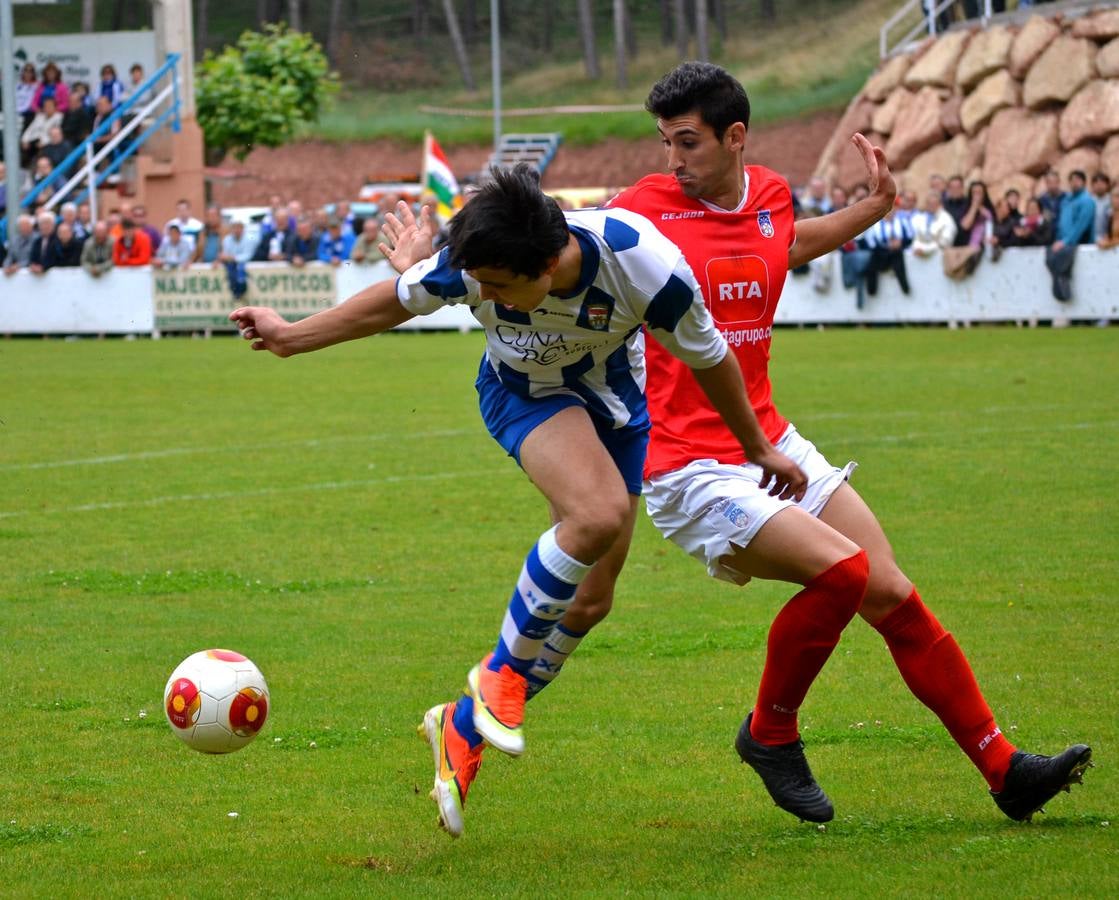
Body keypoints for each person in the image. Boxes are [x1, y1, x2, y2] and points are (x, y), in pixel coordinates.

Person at [401, 62, 1091, 831]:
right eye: (664, 142)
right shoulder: (640, 214)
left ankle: (1004, 770)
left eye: (686, 142)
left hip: (765, 438)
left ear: (734, 138)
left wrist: (871, 208)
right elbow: (526, 230)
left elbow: (783, 246)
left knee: (889, 592)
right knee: (838, 576)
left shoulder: (766, 195)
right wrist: (423, 262)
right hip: (683, 460)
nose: (672, 160)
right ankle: (768, 733)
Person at [230, 163, 807, 839]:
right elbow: (394, 298)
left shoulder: (642, 264)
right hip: (522, 396)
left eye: (504, 288)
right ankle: (497, 680)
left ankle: (461, 726)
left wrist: (757, 447)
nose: (494, 299)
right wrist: (292, 336)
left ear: (547, 261)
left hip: (618, 411)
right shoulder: (473, 266)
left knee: (591, 600)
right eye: (485, 287)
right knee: (595, 516)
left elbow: (710, 359)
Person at [1045, 170, 1096, 302]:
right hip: (1061, 241)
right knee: (1049, 257)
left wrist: (1066, 241)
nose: (1074, 182)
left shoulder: (1087, 200)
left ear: (1084, 182)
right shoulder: (1066, 200)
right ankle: (1060, 284)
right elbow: (1061, 223)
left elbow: (1080, 225)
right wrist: (1059, 240)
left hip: (1078, 243)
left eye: (1078, 179)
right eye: (1072, 180)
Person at [910, 189, 957, 257]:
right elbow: (915, 237)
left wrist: (925, 250)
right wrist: (917, 247)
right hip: (919, 256)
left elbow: (945, 242)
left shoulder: (947, 219)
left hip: (940, 257)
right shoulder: (920, 218)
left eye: (934, 204)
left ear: (940, 204)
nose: (930, 206)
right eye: (928, 203)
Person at [20, 96, 63, 168]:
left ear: (54, 107)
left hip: (47, 143)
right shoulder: (39, 116)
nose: (47, 108)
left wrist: (44, 142)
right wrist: (25, 140)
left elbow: (56, 134)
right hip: (34, 141)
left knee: (41, 150)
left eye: (50, 106)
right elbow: (30, 129)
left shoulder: (59, 117)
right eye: (45, 106)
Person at [219, 219, 255, 299]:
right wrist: (230, 258)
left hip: (244, 265)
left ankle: (240, 290)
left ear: (243, 228)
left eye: (239, 227)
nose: (237, 230)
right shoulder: (227, 239)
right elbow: (225, 254)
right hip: (231, 265)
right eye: (234, 227)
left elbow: (248, 255)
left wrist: (233, 258)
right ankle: (236, 291)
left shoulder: (249, 239)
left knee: (239, 270)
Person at [16, 63, 40, 134]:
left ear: (33, 73)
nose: (28, 73)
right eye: (26, 71)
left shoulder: (37, 86)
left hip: (29, 114)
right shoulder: (17, 85)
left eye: (30, 71)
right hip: (15, 113)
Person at [1089, 173, 1112, 242]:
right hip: (1091, 239)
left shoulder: (1112, 200)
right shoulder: (1089, 200)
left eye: (1102, 183)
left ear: (1107, 185)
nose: (1099, 186)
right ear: (1092, 186)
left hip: (1107, 239)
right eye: (1096, 183)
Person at [1097, 184, 1119, 250]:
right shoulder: (1110, 216)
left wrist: (1109, 244)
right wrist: (1105, 239)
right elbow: (1110, 235)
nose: (1116, 200)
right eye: (1114, 197)